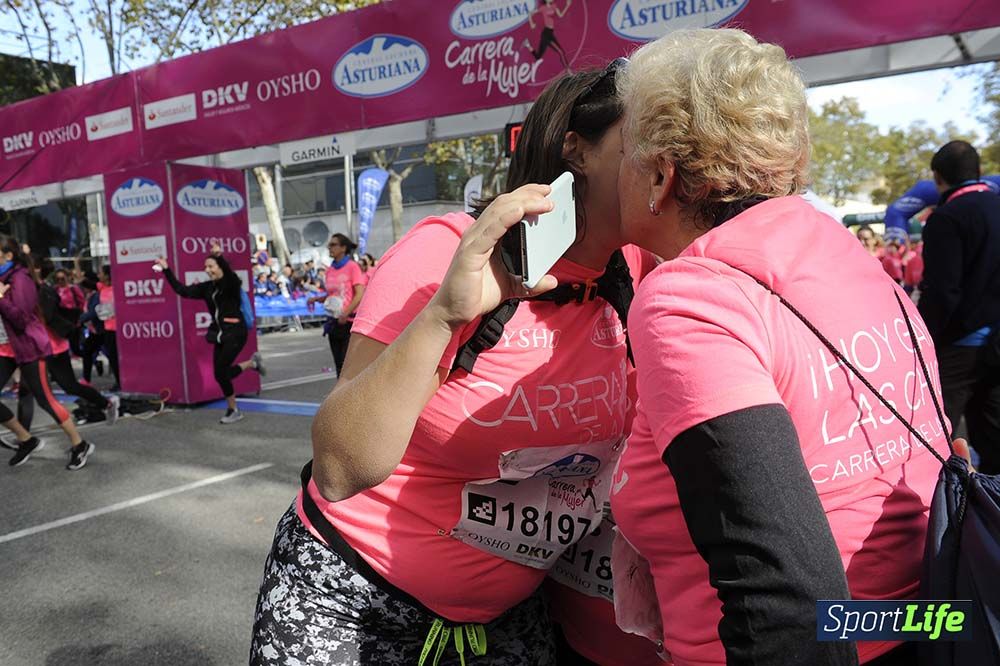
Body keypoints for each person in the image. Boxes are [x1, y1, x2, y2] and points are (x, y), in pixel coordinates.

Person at [251, 65, 659, 666]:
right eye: (645, 139)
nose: (667, 161)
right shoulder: (443, 254)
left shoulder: (641, 269)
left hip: (511, 619)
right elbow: (340, 470)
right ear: (578, 148)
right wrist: (444, 316)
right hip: (351, 601)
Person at [610, 29, 948, 665]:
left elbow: (780, 581)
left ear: (660, 173)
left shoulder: (690, 297)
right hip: (931, 620)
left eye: (624, 150)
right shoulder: (842, 251)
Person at [917, 140, 1000, 474]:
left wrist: (924, 339)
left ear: (938, 179)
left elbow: (943, 292)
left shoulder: (946, 219)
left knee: (938, 438)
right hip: (998, 344)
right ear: (978, 171)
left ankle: (952, 519)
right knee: (994, 437)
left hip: (959, 351)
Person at [0, 236, 96, 469]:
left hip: (30, 347)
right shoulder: (4, 278)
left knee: (46, 400)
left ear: (8, 256)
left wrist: (1, 299)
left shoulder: (20, 279)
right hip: (8, 348)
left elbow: (21, 319)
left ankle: (79, 444)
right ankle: (26, 439)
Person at [155, 251, 265, 424]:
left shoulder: (231, 283)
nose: (207, 270)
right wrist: (166, 269)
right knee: (219, 374)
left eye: (211, 266)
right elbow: (182, 290)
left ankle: (233, 409)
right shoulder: (207, 287)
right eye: (205, 267)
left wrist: (219, 255)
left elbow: (230, 275)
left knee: (221, 372)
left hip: (236, 332)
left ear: (220, 267)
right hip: (220, 334)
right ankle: (251, 365)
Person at [35, 258, 119, 425]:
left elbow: (53, 315)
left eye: (62, 279)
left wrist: (80, 320)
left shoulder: (46, 292)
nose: (60, 282)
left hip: (56, 344)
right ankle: (27, 437)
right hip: (38, 346)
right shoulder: (44, 290)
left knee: (63, 387)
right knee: (33, 392)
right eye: (58, 279)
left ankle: (105, 404)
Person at [306, 233, 365, 376]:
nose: (329, 248)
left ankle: (352, 396)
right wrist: (317, 299)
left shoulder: (352, 267)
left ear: (343, 248)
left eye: (333, 245)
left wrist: (345, 313)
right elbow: (332, 294)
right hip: (333, 321)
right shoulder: (330, 269)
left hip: (349, 322)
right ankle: (341, 396)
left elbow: (359, 294)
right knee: (338, 364)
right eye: (329, 245)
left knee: (347, 364)